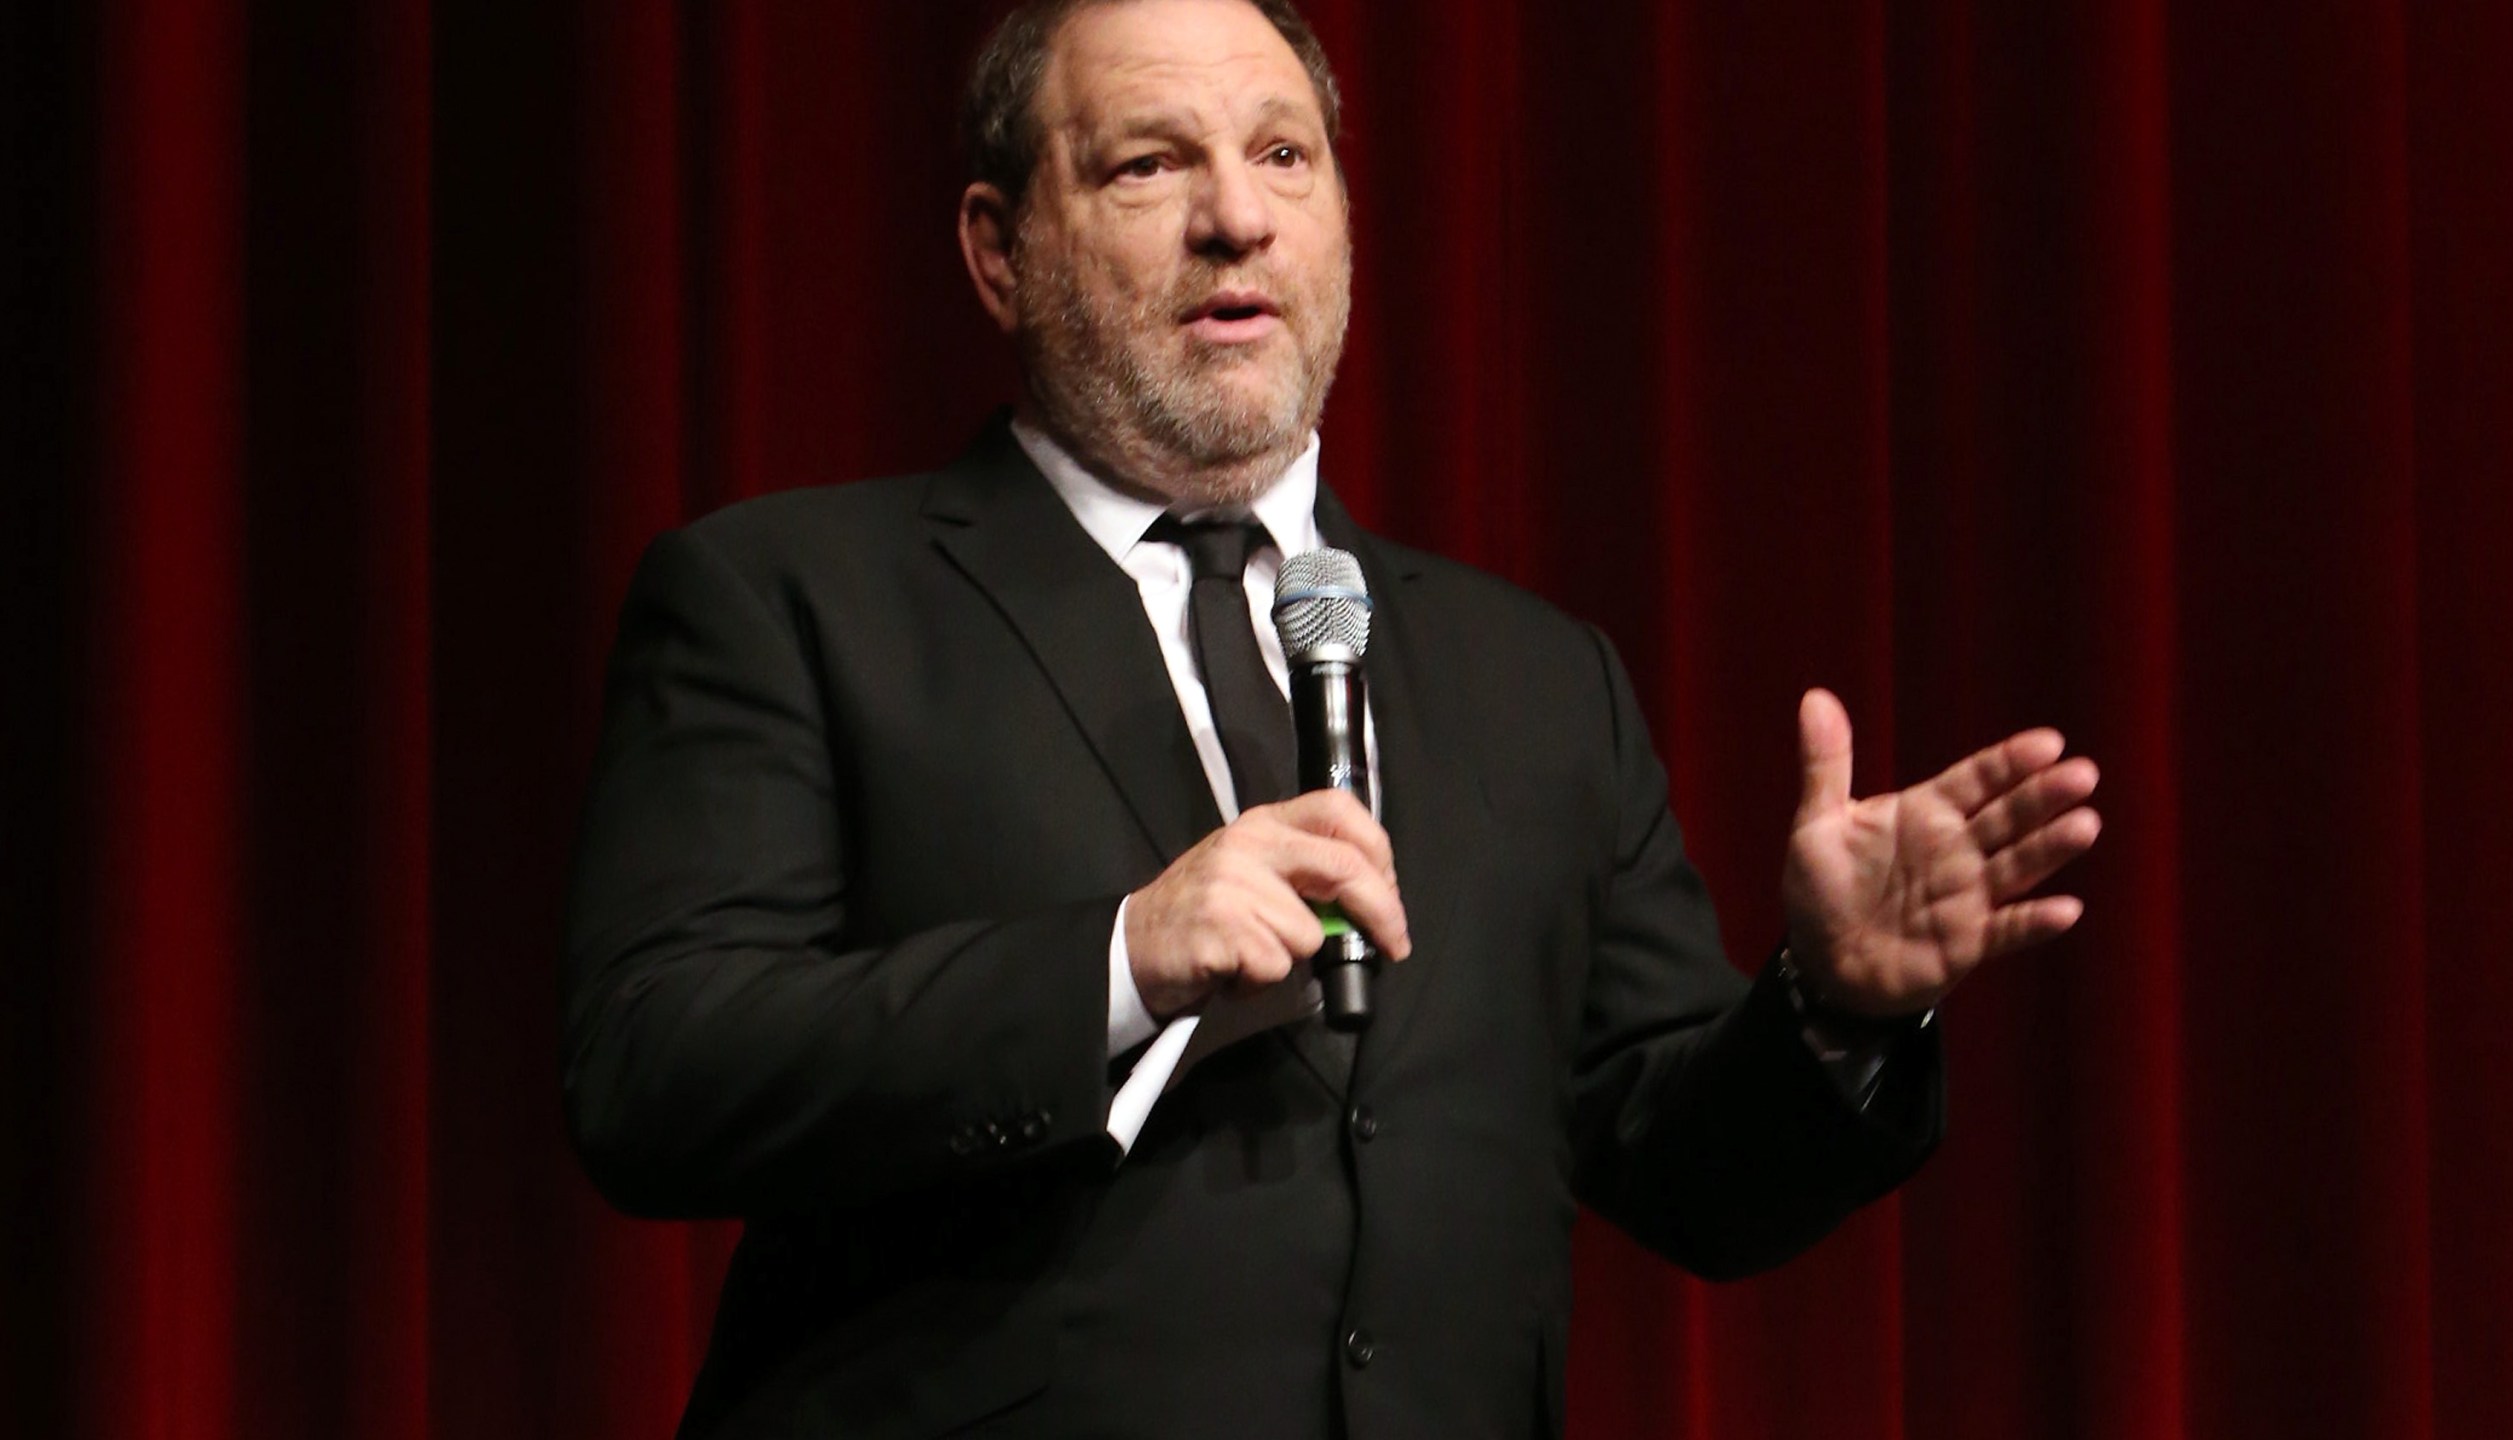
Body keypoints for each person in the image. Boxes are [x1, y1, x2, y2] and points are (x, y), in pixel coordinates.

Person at [560, 1, 2104, 1436]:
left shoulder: (1535, 676)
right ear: (998, 250)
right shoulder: (793, 597)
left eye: (1283, 155)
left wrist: (1831, 1008)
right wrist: (1119, 959)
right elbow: (658, 1072)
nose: (1236, 216)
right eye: (1151, 163)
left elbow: (1689, 1177)